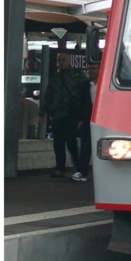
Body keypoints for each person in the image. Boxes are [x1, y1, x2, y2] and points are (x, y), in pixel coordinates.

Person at [39, 52, 92, 181]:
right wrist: (42, 113)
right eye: (59, 60)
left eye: (63, 60)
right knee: (58, 143)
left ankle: (78, 167)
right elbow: (48, 96)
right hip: (57, 114)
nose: (61, 62)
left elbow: (84, 95)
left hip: (71, 114)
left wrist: (82, 116)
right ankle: (60, 168)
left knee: (70, 140)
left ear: (69, 61)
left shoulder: (78, 75)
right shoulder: (55, 78)